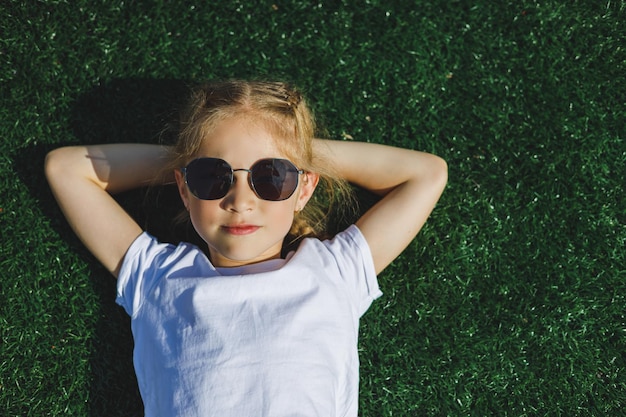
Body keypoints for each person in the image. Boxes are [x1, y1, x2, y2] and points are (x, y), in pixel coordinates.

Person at [45, 80, 448, 416]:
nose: (240, 201)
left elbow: (426, 173)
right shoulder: (156, 278)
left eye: (271, 176)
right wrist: (188, 160)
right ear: (184, 188)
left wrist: (299, 151)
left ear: (305, 188)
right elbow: (66, 169)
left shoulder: (335, 273)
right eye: (212, 176)